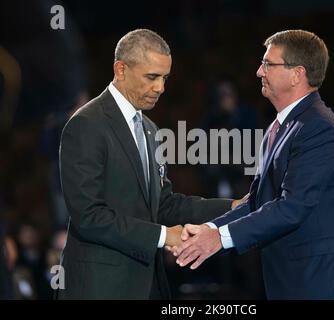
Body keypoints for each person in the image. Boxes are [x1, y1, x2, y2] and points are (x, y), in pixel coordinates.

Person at [172, 30, 334, 300]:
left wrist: (220, 238)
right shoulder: (279, 128)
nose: (258, 71)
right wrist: (211, 230)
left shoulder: (318, 128)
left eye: (268, 64)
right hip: (295, 281)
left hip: (324, 282)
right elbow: (258, 202)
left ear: (297, 74)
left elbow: (292, 207)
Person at [57, 29, 240, 299]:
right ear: (120, 70)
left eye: (164, 78)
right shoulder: (86, 124)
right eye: (151, 77)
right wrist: (165, 236)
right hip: (100, 287)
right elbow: (89, 216)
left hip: (147, 285)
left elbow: (164, 204)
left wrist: (234, 207)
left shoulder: (151, 129)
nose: (160, 88)